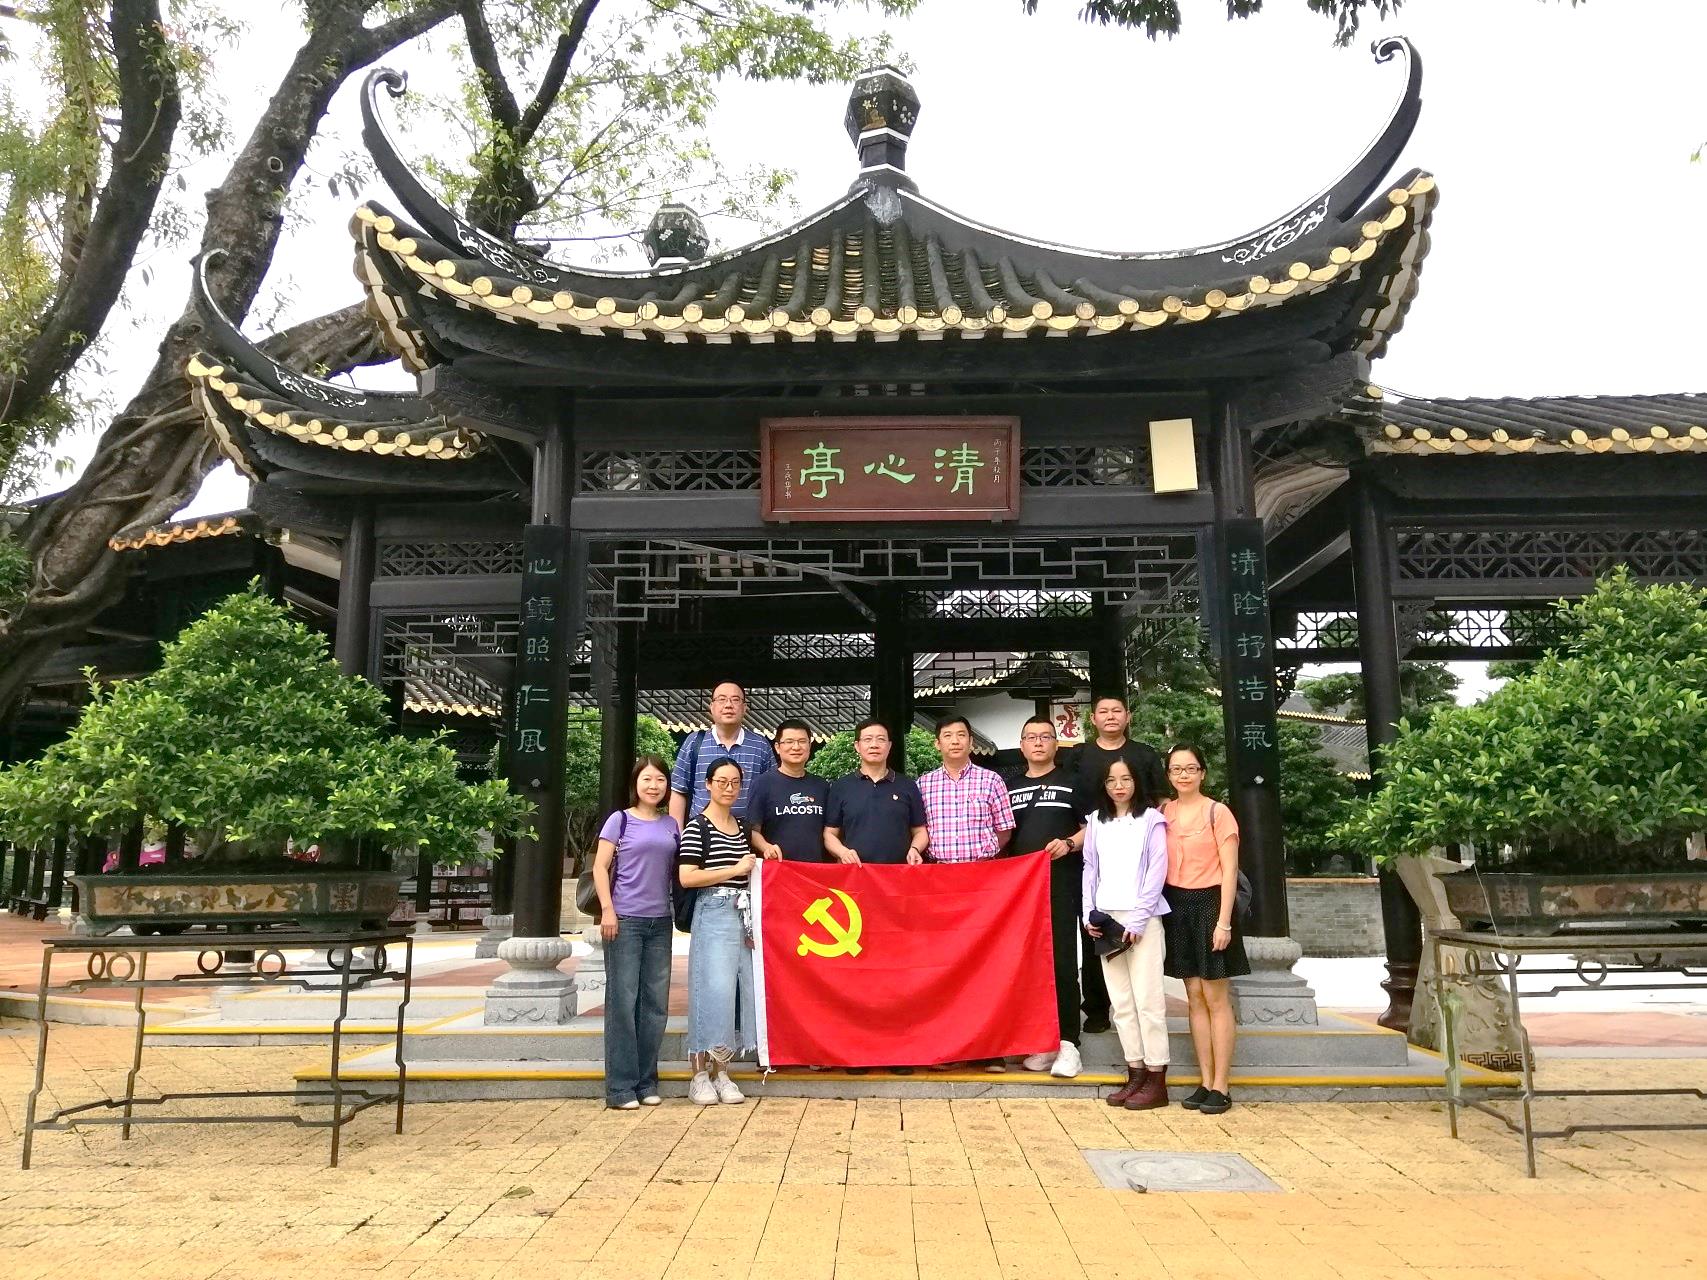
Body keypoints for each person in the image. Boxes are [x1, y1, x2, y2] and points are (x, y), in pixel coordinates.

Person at [1160, 744, 1250, 1116]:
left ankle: (1221, 1085)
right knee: (1193, 995)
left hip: (1211, 904)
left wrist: (1224, 922)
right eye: (1176, 769)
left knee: (1216, 997)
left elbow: (1230, 872)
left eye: (1191, 768)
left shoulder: (1218, 812)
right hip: (1177, 905)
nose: (1184, 775)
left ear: (1203, 773)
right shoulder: (1163, 813)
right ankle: (1205, 1079)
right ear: (1168, 775)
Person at [1071, 693, 1168, 1034]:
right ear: (1093, 719)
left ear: (1128, 716)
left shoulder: (1144, 754)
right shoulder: (1079, 756)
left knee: (1143, 953)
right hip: (1093, 847)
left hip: (1139, 855)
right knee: (1095, 933)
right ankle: (1097, 1009)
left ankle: (1147, 1032)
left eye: (1117, 711)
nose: (1110, 716)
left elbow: (1162, 800)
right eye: (1103, 711)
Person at [1082, 757, 1171, 1110]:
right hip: (1106, 920)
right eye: (1111, 780)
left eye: (1126, 779)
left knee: (1149, 1001)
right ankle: (1135, 1072)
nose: (1118, 786)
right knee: (1121, 1003)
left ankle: (1156, 1078)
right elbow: (1090, 867)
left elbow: (1157, 869)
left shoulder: (1152, 820)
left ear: (1137, 782)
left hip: (1143, 920)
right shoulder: (1095, 820)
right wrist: (1088, 912)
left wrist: (1138, 919)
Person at [591, 755, 679, 1111]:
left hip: (660, 923)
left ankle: (646, 1082)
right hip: (625, 920)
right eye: (647, 779)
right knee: (623, 1004)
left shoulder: (671, 824)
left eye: (660, 779)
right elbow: (600, 867)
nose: (654, 786)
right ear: (635, 783)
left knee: (655, 1006)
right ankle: (620, 1088)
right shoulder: (620, 820)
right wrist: (607, 910)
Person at [1005, 716, 1088, 1079]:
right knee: (1024, 964)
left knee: (1062, 961)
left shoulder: (1074, 782)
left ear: (1056, 744)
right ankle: (1038, 1040)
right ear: (1021, 745)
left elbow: (1093, 828)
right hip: (1018, 891)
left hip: (1061, 883)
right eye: (1031, 737)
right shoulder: (1009, 786)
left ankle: (1069, 1042)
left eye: (1045, 737)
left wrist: (1069, 843)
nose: (1038, 743)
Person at [679, 758, 758, 1106]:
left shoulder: (741, 827)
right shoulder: (697, 827)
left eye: (735, 782)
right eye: (722, 781)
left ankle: (722, 1071)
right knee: (708, 989)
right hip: (712, 910)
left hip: (741, 913)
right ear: (708, 784)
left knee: (733, 992)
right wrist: (734, 868)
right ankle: (699, 1074)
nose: (729, 788)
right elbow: (687, 876)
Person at [668, 681, 777, 825]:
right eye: (722, 699)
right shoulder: (694, 742)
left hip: (747, 834)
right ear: (711, 707)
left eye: (735, 699)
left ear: (744, 708)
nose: (728, 705)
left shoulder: (760, 745)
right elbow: (678, 790)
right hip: (702, 833)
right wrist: (679, 834)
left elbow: (772, 792)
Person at [823, 719, 928, 865]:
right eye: (868, 739)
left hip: (898, 872)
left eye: (881, 739)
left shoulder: (907, 785)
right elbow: (829, 834)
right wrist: (843, 852)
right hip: (855, 871)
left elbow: (920, 831)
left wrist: (915, 849)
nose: (874, 745)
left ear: (889, 746)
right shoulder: (841, 786)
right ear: (857, 746)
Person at [917, 715, 1015, 865]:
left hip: (982, 869)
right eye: (948, 735)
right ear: (937, 744)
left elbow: (1004, 830)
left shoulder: (992, 780)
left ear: (970, 742)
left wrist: (985, 855)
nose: (955, 741)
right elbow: (919, 829)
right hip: (939, 871)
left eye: (961, 735)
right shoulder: (923, 785)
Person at [746, 719, 830, 862]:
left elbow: (831, 831)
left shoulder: (822, 786)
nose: (796, 747)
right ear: (778, 747)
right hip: (778, 866)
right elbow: (752, 831)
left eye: (802, 741)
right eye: (789, 741)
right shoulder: (762, 784)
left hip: (815, 868)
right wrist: (766, 847)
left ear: (809, 746)